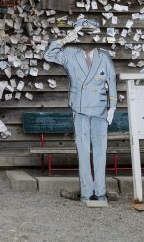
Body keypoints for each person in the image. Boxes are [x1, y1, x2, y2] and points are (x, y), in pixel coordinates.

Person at [44, 29, 117, 207]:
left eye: (89, 35)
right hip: (79, 107)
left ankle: (100, 192)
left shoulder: (103, 57)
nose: (86, 39)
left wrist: (113, 107)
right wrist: (65, 39)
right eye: (82, 34)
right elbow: (49, 55)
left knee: (100, 151)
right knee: (83, 151)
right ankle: (86, 192)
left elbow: (112, 81)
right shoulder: (70, 54)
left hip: (100, 108)